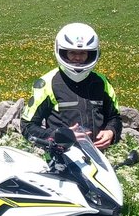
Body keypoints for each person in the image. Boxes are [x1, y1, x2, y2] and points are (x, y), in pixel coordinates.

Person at [20, 23, 121, 151]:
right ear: (62, 52)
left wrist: (111, 132)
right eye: (72, 53)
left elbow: (114, 117)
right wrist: (58, 136)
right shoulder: (47, 83)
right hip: (60, 158)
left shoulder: (102, 82)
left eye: (83, 53)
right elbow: (27, 126)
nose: (77, 57)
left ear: (91, 54)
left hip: (98, 157)